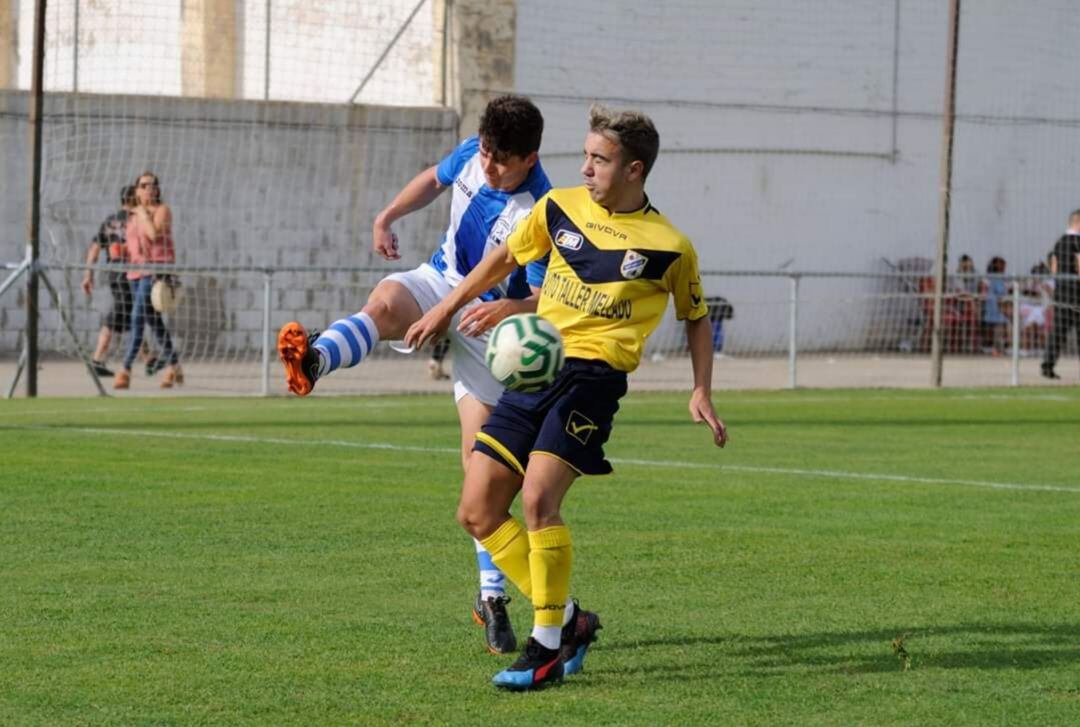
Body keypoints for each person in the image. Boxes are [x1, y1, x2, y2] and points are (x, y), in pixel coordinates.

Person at [404, 105, 728, 690]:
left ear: (634, 169)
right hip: (536, 370)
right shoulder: (559, 209)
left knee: (537, 501)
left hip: (595, 379)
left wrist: (701, 389)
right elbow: (503, 259)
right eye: (584, 156)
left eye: (598, 161)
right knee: (476, 512)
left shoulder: (670, 246)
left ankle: (545, 647)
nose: (584, 169)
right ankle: (571, 619)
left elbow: (696, 318)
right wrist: (444, 308)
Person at [277, 95, 551, 654]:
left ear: (531, 158)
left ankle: (491, 598)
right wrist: (387, 215)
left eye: (503, 159)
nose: (490, 165)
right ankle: (314, 362)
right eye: (487, 152)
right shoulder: (477, 152)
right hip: (438, 280)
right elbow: (434, 178)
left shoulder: (541, 210)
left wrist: (504, 310)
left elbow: (547, 297)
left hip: (489, 327)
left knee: (482, 473)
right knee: (382, 305)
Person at [115, 171, 182, 389]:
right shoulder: (132, 216)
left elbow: (154, 235)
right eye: (144, 185)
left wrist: (143, 213)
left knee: (136, 318)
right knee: (154, 322)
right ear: (136, 189)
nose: (149, 189)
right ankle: (174, 367)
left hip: (155, 271)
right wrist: (120, 251)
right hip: (135, 272)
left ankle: (125, 370)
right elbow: (133, 245)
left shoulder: (161, 210)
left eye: (153, 185)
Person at [1041, 210, 1080, 379]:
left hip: (1061, 292)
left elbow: (1054, 268)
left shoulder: (1059, 242)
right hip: (1077, 292)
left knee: (1058, 331)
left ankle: (1047, 366)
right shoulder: (1077, 242)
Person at [980, 256, 1009, 356]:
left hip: (1002, 306)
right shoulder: (988, 278)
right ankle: (995, 348)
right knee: (996, 327)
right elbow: (983, 293)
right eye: (1002, 264)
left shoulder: (1003, 279)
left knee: (1001, 328)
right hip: (992, 305)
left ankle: (999, 348)